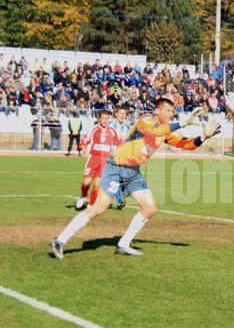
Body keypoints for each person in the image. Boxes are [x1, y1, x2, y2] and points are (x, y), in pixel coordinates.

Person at [51, 103, 218, 259]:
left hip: (133, 171)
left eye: (172, 111)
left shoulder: (166, 130)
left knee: (150, 208)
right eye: (168, 110)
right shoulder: (146, 119)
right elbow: (154, 132)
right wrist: (182, 123)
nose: (171, 113)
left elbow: (185, 144)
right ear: (158, 111)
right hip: (116, 166)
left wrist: (203, 136)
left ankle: (123, 245)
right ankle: (60, 240)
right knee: (98, 208)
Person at [75, 110, 120, 210]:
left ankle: (90, 205)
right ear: (99, 119)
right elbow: (84, 141)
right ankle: (83, 196)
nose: (105, 120)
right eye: (103, 118)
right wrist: (82, 147)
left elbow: (118, 145)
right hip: (93, 159)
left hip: (105, 161)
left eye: (107, 118)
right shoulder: (93, 130)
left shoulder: (113, 131)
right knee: (86, 182)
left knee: (98, 185)